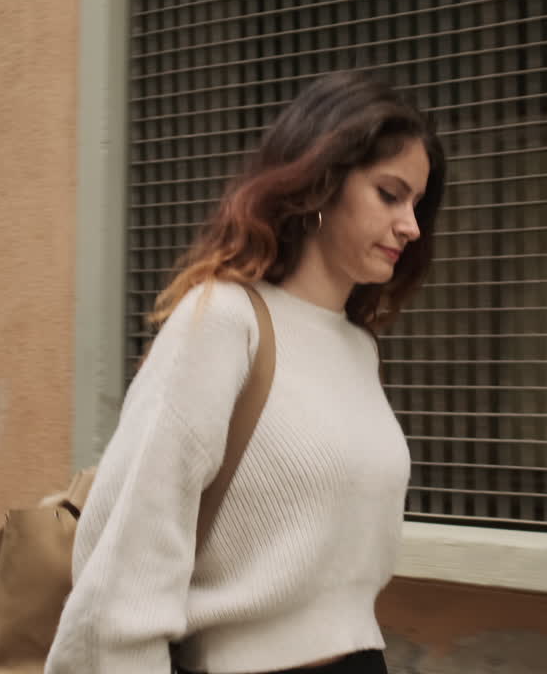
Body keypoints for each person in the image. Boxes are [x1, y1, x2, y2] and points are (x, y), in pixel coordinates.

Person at [44, 71, 447, 674]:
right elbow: (125, 562)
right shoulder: (223, 320)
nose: (410, 226)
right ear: (321, 183)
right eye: (390, 195)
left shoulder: (358, 348)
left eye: (416, 204)